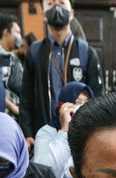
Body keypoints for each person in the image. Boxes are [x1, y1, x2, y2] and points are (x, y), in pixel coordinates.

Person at [19, 0, 103, 149]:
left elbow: (97, 96)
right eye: (50, 4)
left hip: (79, 134)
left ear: (71, 14)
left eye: (62, 3)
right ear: (44, 15)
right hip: (44, 132)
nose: (57, 7)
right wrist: (27, 133)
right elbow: (26, 96)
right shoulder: (34, 51)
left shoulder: (86, 52)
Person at [33, 81, 93, 178]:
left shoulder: (92, 133)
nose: (82, 108)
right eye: (77, 102)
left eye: (86, 103)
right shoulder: (46, 132)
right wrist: (65, 130)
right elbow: (44, 174)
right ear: (62, 105)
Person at [0, 14, 22, 116]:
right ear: (6, 32)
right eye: (17, 32)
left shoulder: (10, 55)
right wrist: (14, 108)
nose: (20, 36)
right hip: (5, 116)